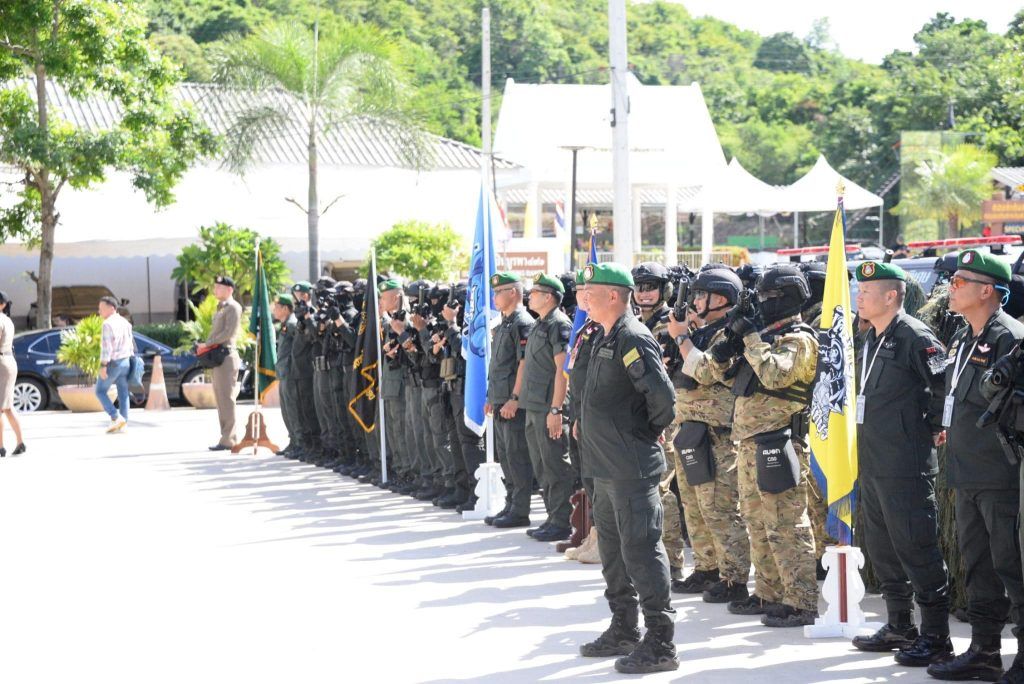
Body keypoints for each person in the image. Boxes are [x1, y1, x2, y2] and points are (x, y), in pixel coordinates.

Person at [847, 261, 953, 667]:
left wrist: (933, 426)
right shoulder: (872, 335)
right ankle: (899, 625)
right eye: (859, 291)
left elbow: (944, 384)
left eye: (866, 292)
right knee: (883, 548)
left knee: (917, 548)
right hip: (874, 460)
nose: (859, 297)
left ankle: (936, 636)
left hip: (905, 463)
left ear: (891, 296)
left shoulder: (914, 335)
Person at [575, 262, 678, 674]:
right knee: (614, 552)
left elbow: (663, 401)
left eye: (591, 291)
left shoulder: (632, 337)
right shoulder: (603, 334)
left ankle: (661, 642)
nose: (584, 297)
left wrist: (640, 435)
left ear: (615, 295)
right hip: (603, 465)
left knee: (641, 551)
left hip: (630, 466)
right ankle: (624, 627)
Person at [927, 250, 1024, 682]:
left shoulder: (1011, 339)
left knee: (1012, 566)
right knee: (978, 566)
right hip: (967, 471)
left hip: (1002, 475)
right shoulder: (965, 337)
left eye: (960, 282)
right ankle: (984, 650)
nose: (951, 288)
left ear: (987, 291)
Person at [705, 263, 820, 627]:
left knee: (786, 523)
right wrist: (729, 345)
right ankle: (769, 592)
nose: (764, 303)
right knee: (756, 522)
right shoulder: (767, 338)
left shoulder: (799, 340)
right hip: (749, 444)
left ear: (787, 297)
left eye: (769, 296)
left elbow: (774, 375)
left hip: (781, 442)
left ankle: (801, 601)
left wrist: (753, 338)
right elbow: (724, 376)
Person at [667, 266, 752, 604]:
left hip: (717, 435)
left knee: (719, 509)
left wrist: (681, 338)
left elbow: (706, 371)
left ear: (721, 299)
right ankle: (707, 567)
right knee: (694, 507)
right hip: (690, 430)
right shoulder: (700, 333)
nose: (696, 301)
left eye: (703, 295)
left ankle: (734, 577)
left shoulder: (729, 335)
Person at [631, 262, 687, 586]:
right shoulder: (637, 324)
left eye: (650, 286)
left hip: (666, 419)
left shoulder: (672, 324)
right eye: (639, 287)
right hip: (640, 416)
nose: (644, 293)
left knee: (662, 491)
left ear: (664, 289)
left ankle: (672, 563)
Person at [521, 273, 576, 543]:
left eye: (534, 293)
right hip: (534, 405)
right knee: (542, 466)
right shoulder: (539, 323)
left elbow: (562, 370)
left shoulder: (559, 324)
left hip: (548, 406)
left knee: (555, 465)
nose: (529, 296)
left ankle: (562, 521)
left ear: (548, 297)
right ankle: (552, 517)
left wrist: (557, 410)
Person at [484, 272, 536, 528]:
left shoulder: (522, 322)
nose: (494, 297)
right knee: (506, 457)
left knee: (517, 458)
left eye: (498, 292)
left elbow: (524, 364)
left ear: (513, 293)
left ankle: (520, 509)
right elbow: (498, 365)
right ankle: (511, 503)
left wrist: (515, 398)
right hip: (499, 399)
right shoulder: (504, 323)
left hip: (512, 403)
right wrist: (490, 396)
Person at [201, 275, 242, 451]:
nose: (215, 290)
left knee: (226, 398)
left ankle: (229, 439)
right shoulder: (221, 307)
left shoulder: (233, 307)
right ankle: (225, 437)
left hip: (226, 356)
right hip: (218, 357)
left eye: (219, 287)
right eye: (215, 286)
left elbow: (228, 333)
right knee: (220, 399)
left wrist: (207, 344)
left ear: (230, 290)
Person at [95, 294, 134, 434]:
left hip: (113, 363)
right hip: (126, 361)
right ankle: (123, 424)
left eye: (101, 308)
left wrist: (103, 366)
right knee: (123, 393)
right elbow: (130, 343)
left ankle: (115, 417)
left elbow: (107, 348)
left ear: (112, 308)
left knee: (100, 391)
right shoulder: (125, 322)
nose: (99, 311)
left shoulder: (107, 324)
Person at [272, 294, 300, 458]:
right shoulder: (284, 325)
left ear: (285, 308)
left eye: (277, 307)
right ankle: (293, 441)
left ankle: (299, 443)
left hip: (290, 372)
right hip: (284, 372)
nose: (274, 310)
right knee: (286, 410)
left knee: (293, 409)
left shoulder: (292, 324)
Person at [0, 291, 25, 457]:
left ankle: (0, 447)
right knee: (8, 407)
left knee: (3, 408)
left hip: (1, 363)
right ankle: (20, 442)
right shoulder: (7, 319)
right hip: (8, 361)